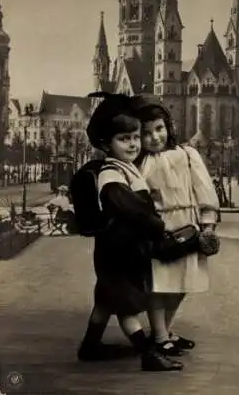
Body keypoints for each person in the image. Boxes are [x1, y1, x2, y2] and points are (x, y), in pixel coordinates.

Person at [77, 92, 183, 371]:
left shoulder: (127, 168)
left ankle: (90, 346)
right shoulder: (112, 173)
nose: (133, 144)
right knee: (126, 307)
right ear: (106, 144)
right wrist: (156, 225)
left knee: (105, 301)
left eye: (136, 137)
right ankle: (149, 354)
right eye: (124, 139)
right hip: (118, 252)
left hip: (119, 250)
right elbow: (129, 208)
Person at [131, 94, 220, 359]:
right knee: (159, 284)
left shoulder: (187, 154)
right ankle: (159, 337)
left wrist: (208, 225)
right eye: (146, 133)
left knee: (182, 284)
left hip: (188, 228)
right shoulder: (140, 164)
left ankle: (164, 332)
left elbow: (203, 189)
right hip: (159, 229)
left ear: (168, 126)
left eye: (159, 129)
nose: (155, 137)